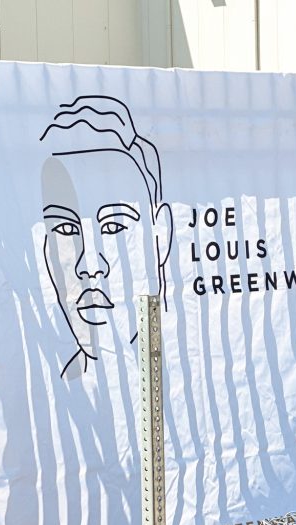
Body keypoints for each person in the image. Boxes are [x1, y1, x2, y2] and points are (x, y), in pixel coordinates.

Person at [39, 95, 173, 380]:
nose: (89, 265)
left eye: (114, 227)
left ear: (161, 233)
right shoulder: (50, 397)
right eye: (65, 229)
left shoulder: (194, 379)